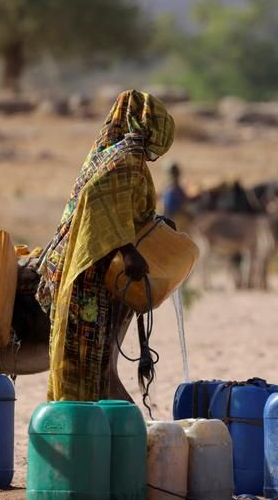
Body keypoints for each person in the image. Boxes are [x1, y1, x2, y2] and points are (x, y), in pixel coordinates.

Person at [35, 90, 175, 402]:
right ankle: (82, 425)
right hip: (89, 271)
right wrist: (126, 249)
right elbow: (98, 201)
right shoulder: (124, 160)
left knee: (88, 357)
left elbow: (123, 206)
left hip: (84, 261)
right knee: (87, 357)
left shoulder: (112, 153)